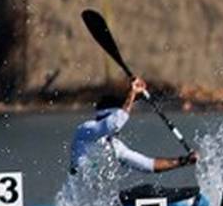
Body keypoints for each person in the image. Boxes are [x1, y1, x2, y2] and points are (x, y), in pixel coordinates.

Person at [69, 77, 198, 186]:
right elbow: (114, 123)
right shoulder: (86, 131)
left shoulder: (115, 147)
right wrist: (132, 93)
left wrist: (184, 161)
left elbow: (149, 165)